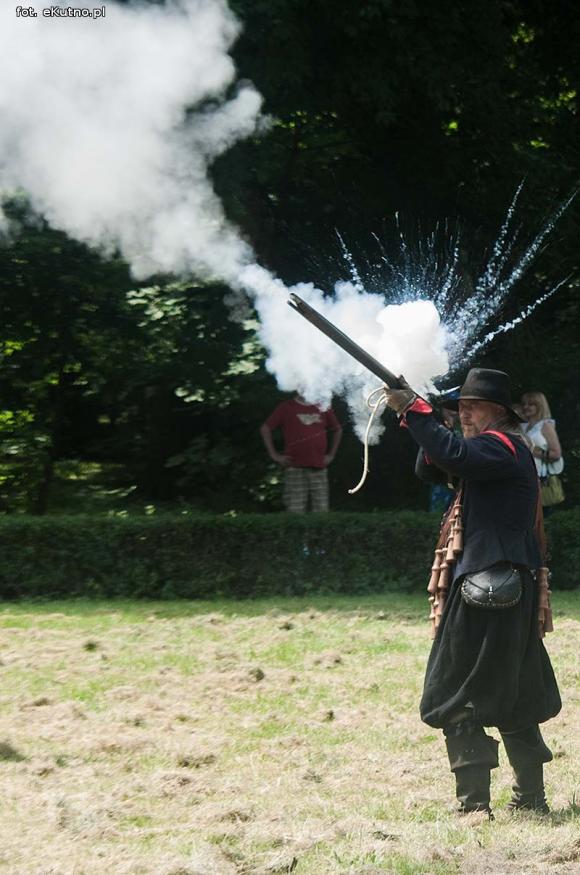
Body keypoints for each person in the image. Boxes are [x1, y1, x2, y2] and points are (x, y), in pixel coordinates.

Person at [383, 368, 561, 818]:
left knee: (455, 694)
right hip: (503, 585)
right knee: (516, 693)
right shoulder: (490, 451)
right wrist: (427, 420)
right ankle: (530, 801)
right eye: (458, 407)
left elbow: (455, 455)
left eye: (472, 407)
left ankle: (473, 807)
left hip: (487, 586)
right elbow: (431, 464)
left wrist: (414, 410)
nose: (463, 414)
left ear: (497, 413)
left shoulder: (498, 446)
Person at [260, 393, 343, 512]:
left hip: (318, 466)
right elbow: (265, 428)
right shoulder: (286, 407)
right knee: (295, 509)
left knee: (321, 509)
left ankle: (318, 531)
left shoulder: (322, 406)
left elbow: (338, 430)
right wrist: (274, 455)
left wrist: (331, 455)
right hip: (294, 466)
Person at [521, 391, 564, 511]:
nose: (526, 407)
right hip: (525, 478)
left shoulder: (545, 426)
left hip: (540, 480)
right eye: (524, 404)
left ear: (539, 406)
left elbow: (556, 453)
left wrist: (532, 452)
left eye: (531, 404)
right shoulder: (524, 426)